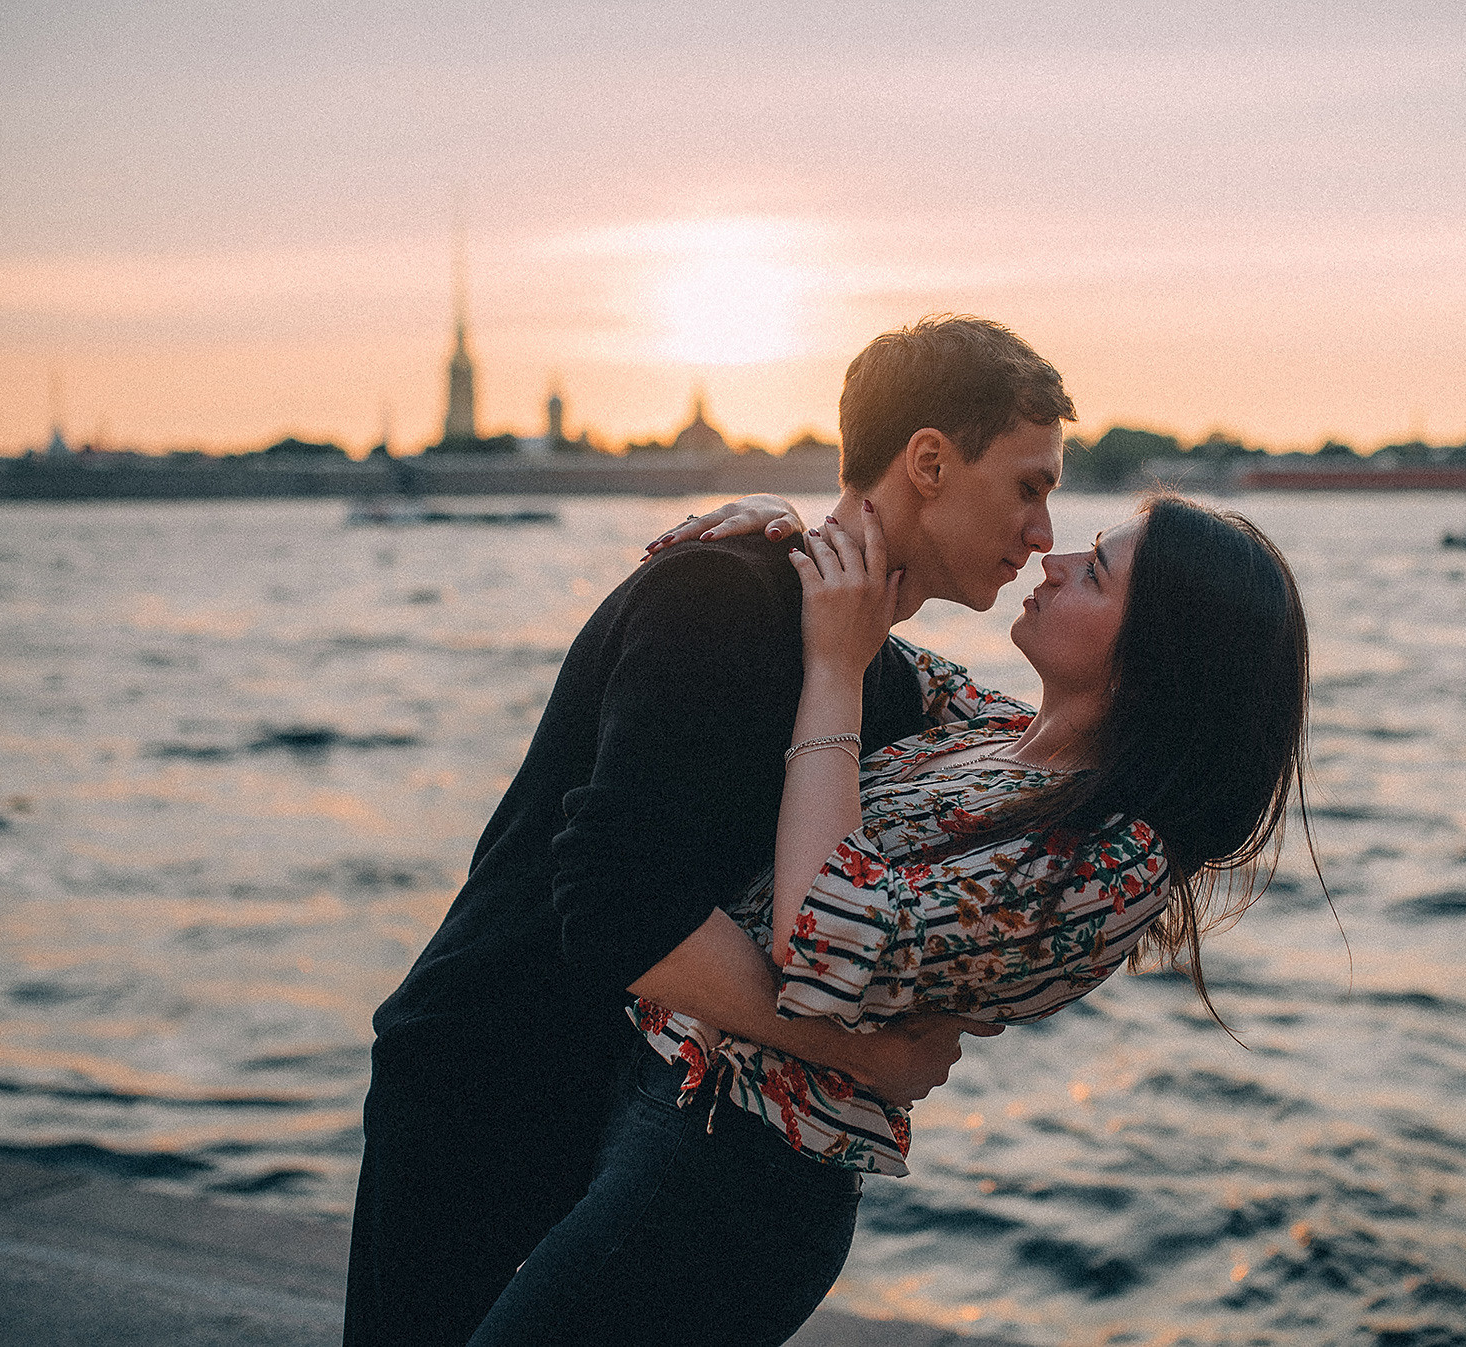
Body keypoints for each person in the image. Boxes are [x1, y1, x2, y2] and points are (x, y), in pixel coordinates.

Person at [343, 315, 1078, 1346]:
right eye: (1029, 485)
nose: (1043, 531)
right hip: (481, 1087)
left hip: (613, 1110)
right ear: (925, 462)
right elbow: (615, 909)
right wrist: (861, 1056)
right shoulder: (719, 598)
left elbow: (1021, 748)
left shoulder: (877, 676)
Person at [464, 490, 1314, 1345]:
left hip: (737, 1175)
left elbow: (820, 933)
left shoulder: (1114, 859)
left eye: (1093, 572)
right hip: (663, 1092)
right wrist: (783, 541)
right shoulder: (993, 729)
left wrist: (836, 677)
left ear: (1160, 654)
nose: (1053, 562)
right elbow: (851, 621)